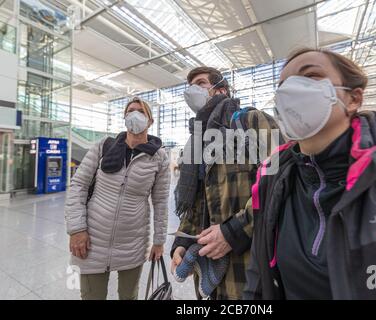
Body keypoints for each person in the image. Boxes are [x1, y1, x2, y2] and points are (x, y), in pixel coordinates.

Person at [244, 47, 376, 300]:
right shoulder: (274, 182)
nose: (290, 91)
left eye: (310, 76)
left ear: (353, 99)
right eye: (283, 85)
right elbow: (258, 278)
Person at [170, 66, 282, 299]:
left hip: (249, 265)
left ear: (221, 90)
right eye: (189, 86)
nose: (192, 90)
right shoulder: (197, 140)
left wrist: (233, 233)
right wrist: (182, 240)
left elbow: (278, 183)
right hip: (209, 269)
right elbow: (198, 200)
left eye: (200, 83)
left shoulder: (252, 121)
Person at [65, 96, 170, 300]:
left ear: (150, 121)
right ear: (124, 118)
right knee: (91, 296)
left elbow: (161, 202)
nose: (135, 115)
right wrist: (77, 229)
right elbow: (78, 185)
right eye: (130, 111)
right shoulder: (104, 146)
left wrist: (159, 241)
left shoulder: (159, 157)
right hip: (92, 241)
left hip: (133, 243)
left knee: (129, 296)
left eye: (141, 111)